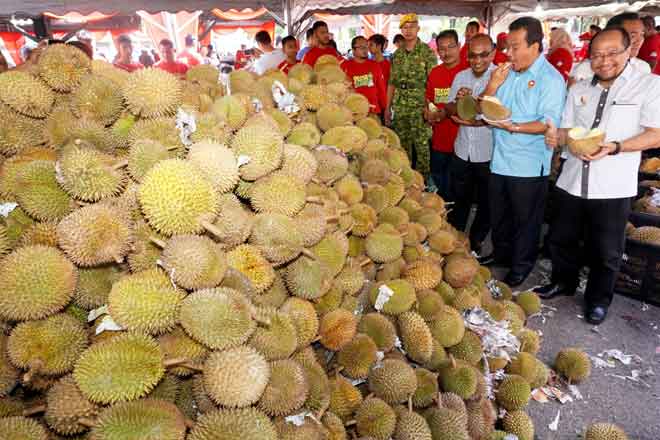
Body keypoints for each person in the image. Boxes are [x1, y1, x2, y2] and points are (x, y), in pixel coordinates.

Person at [537, 28, 660, 324]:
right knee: (562, 238)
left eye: (612, 53)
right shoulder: (580, 88)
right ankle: (562, 282)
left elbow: (655, 135)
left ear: (629, 51)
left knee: (606, 250)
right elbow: (568, 131)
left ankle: (598, 300)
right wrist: (557, 136)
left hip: (613, 184)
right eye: (596, 55)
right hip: (573, 179)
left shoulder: (648, 86)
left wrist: (617, 147)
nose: (604, 61)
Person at [479, 16, 566, 287]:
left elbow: (548, 122)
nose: (509, 53)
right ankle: (502, 255)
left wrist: (513, 127)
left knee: (526, 220)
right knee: (500, 214)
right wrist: (493, 84)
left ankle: (521, 264)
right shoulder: (506, 73)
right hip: (500, 160)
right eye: (508, 47)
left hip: (528, 165)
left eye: (515, 47)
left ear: (536, 46)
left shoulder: (550, 79)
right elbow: (485, 107)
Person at [444, 34, 496, 254]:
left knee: (486, 202)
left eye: (483, 55)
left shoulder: (501, 78)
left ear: (493, 53)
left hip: (489, 152)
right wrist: (457, 101)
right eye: (473, 56)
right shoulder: (460, 76)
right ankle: (454, 240)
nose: (477, 60)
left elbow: (496, 116)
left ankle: (476, 241)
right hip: (462, 149)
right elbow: (449, 109)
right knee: (459, 199)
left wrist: (473, 108)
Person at [385, 13, 437, 180]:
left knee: (422, 147)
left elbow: (432, 83)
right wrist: (387, 108)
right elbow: (391, 83)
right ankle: (406, 181)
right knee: (402, 147)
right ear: (401, 30)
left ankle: (424, 183)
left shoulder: (427, 52)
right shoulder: (397, 55)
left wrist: (429, 108)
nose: (408, 31)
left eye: (412, 27)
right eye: (405, 28)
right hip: (400, 107)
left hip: (420, 106)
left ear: (418, 29)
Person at [424, 30, 468, 197]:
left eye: (451, 47)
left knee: (458, 185)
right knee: (439, 178)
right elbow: (429, 100)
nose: (446, 52)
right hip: (439, 139)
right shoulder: (435, 72)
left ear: (459, 46)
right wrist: (427, 112)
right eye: (442, 49)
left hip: (462, 140)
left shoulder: (468, 71)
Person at [572, 13, 650, 83]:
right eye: (632, 35)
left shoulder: (643, 68)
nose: (639, 40)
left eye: (642, 34)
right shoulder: (586, 70)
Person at [342, 36, 387, 115]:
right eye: (361, 47)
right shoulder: (345, 66)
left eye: (366, 46)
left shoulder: (375, 65)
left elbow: (381, 89)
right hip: (354, 113)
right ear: (353, 50)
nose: (365, 49)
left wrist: (385, 108)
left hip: (374, 111)